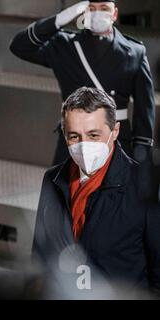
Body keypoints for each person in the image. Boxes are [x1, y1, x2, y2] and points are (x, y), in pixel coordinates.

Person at [9, 0, 157, 200]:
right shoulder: (66, 45)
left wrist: (141, 154)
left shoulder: (134, 51)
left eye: (104, 8)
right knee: (62, 203)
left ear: (114, 14)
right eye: (91, 8)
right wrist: (59, 20)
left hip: (116, 138)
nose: (97, 13)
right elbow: (19, 46)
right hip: (74, 140)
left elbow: (144, 107)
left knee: (116, 204)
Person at [33, 87, 160, 298]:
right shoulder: (52, 180)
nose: (84, 146)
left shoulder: (143, 186)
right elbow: (39, 256)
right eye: (74, 136)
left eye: (93, 135)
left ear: (115, 131)